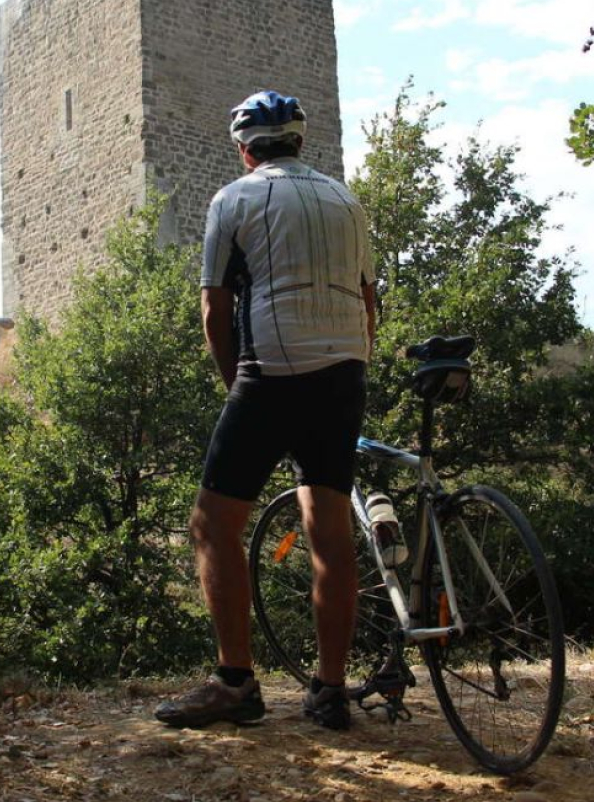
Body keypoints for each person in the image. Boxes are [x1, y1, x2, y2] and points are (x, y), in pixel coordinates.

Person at [154, 90, 376, 731]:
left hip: (270, 373)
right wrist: (352, 364)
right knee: (329, 533)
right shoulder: (346, 201)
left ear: (244, 148)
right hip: (343, 372)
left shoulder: (233, 199)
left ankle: (235, 683)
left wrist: (237, 384)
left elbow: (213, 308)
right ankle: (329, 690)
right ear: (301, 142)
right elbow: (368, 300)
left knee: (213, 526)